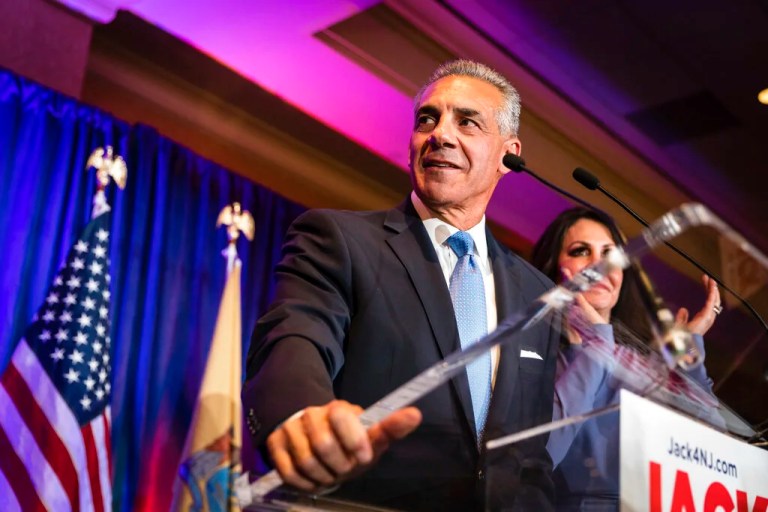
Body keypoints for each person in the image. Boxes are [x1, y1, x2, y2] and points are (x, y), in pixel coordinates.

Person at [242, 59, 561, 511]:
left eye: (467, 121)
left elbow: (530, 456)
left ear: (508, 155)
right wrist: (303, 416)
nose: (440, 135)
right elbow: (295, 335)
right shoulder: (341, 240)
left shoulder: (536, 293)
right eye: (427, 119)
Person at [530, 207, 720, 510]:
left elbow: (715, 442)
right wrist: (595, 345)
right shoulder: (531, 356)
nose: (600, 264)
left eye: (611, 254)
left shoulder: (639, 363)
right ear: (553, 270)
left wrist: (686, 348)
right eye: (581, 251)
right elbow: (538, 459)